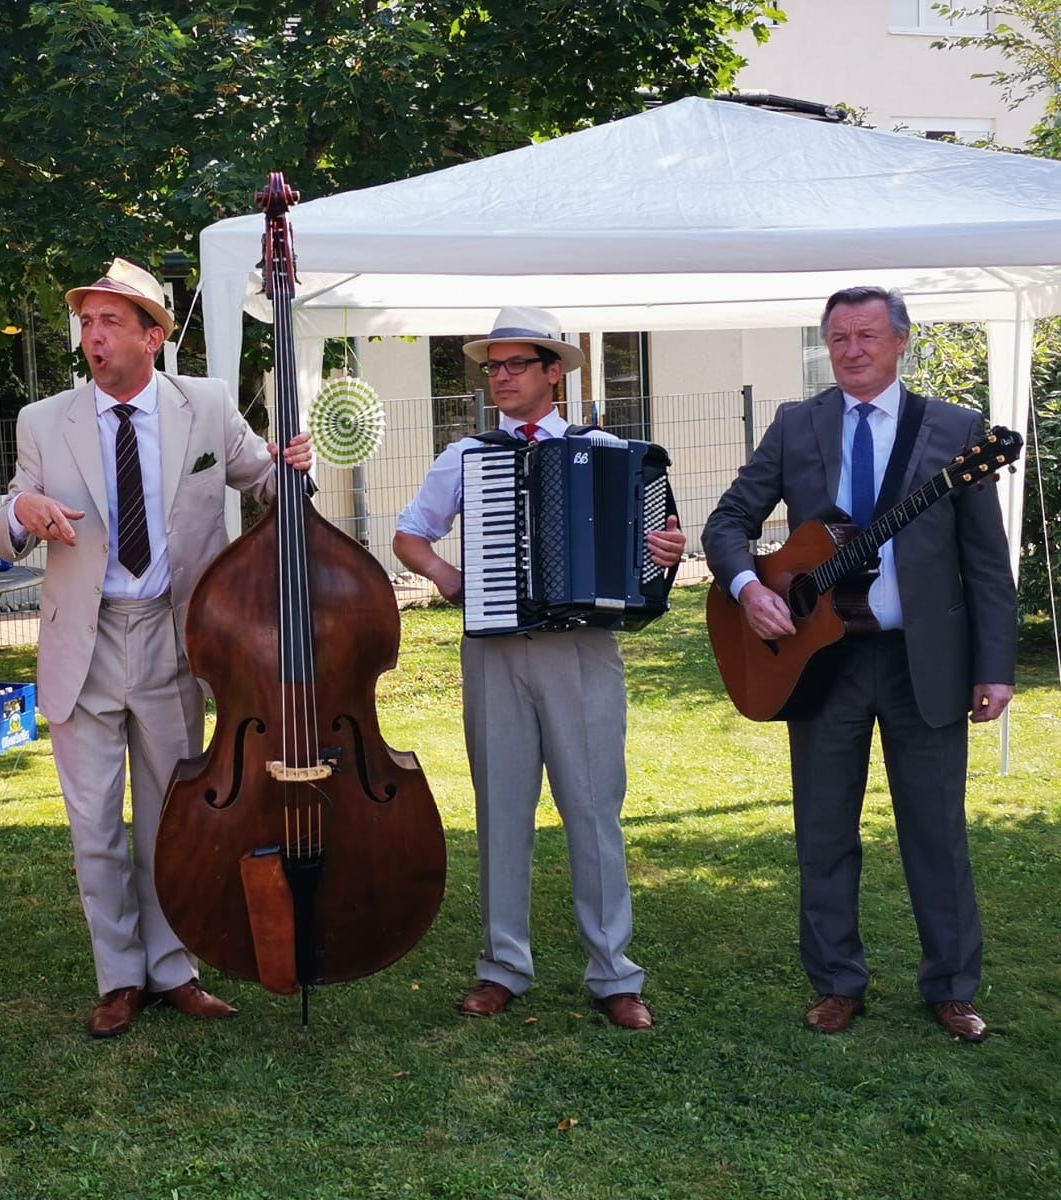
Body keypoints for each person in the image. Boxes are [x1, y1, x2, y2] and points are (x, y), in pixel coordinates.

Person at [0, 258, 313, 1038]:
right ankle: (118, 977)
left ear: (154, 335)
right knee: (95, 826)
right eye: (85, 323)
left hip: (177, 639)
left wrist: (293, 466)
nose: (92, 338)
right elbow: (2, 526)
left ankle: (173, 969)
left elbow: (262, 486)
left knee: (173, 818)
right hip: (84, 644)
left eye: (109, 322)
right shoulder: (43, 420)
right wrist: (21, 509)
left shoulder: (203, 405)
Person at [702, 286, 1016, 1042]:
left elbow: (986, 561)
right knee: (824, 829)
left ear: (901, 341)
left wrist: (995, 665)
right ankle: (837, 982)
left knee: (936, 832)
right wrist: (747, 587)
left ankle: (951, 987)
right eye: (838, 337)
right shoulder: (797, 425)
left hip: (924, 660)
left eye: (867, 335)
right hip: (821, 662)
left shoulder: (955, 431)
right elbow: (729, 522)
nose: (851, 350)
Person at [392, 306, 685, 1030]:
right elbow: (409, 536)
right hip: (493, 651)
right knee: (500, 809)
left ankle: (615, 973)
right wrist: (449, 576)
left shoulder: (606, 449)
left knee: (592, 809)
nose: (499, 377)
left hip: (581, 650)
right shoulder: (468, 456)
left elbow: (654, 549)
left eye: (514, 365)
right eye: (492, 367)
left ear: (554, 371)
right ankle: (502, 967)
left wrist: (664, 555)